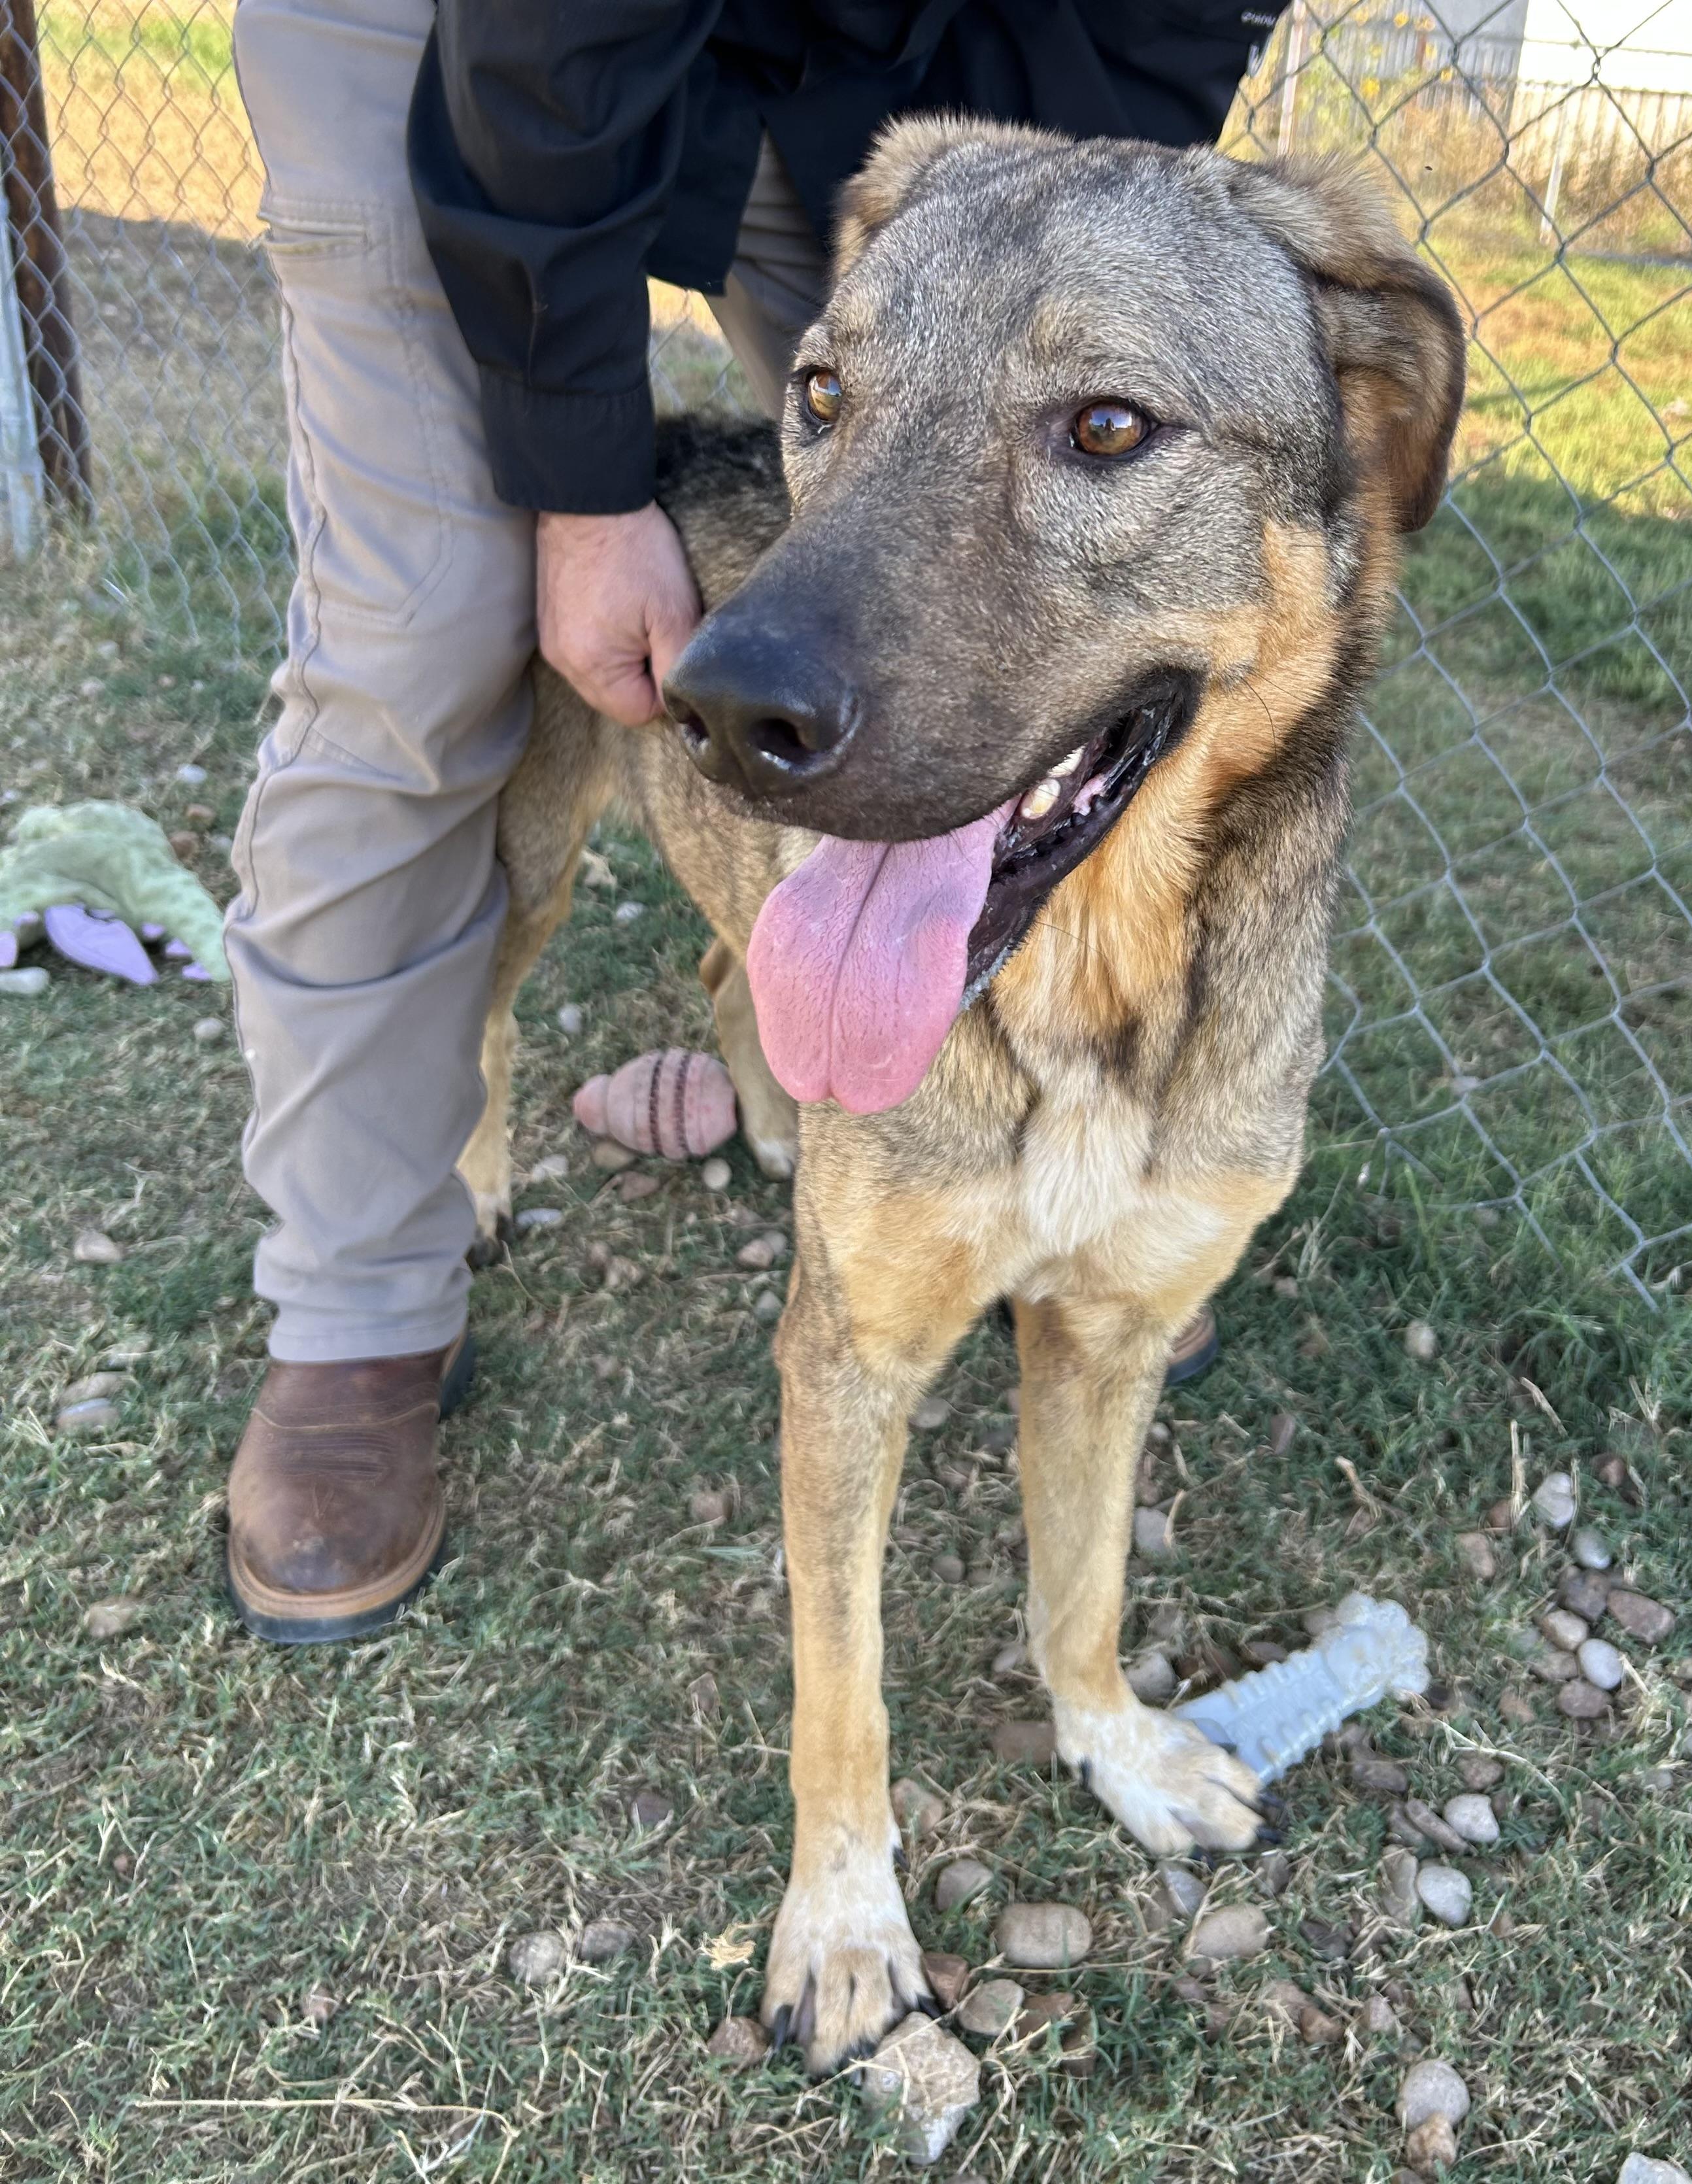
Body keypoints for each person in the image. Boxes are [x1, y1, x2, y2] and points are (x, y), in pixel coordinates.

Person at [221, 0, 1268, 1645]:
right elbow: (543, 45)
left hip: (889, 46)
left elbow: (1156, 33)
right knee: (417, 649)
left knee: (964, 638)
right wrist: (581, 496)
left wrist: (1087, 292)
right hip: (475, 36)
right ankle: (357, 1300)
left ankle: (1026, 1184)